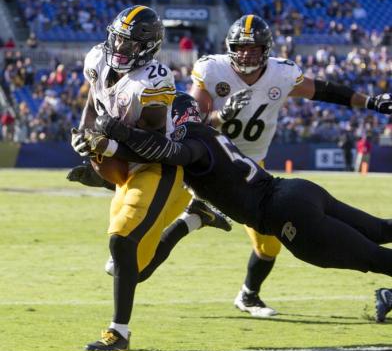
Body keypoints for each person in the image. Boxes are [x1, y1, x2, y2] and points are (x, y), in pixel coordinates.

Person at [82, 92, 392, 325]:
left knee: (376, 257)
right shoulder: (203, 132)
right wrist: (99, 162)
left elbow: (170, 151)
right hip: (297, 191)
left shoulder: (190, 140)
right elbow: (144, 164)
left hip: (285, 213)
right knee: (379, 231)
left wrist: (118, 135)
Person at [188, 14, 392, 318]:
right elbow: (191, 123)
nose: (246, 54)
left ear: (266, 50)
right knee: (372, 241)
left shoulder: (280, 75)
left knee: (270, 247)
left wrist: (371, 102)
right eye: (241, 47)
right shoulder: (212, 71)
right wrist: (220, 117)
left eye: (253, 48)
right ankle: (128, 258)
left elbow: (323, 90)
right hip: (219, 168)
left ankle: (248, 294)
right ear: (230, 47)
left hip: (253, 171)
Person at [70, 5, 230, 351]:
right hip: (125, 166)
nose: (119, 49)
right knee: (131, 270)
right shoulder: (98, 58)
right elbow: (94, 100)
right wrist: (83, 134)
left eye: (128, 45)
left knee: (122, 241)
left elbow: (153, 144)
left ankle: (119, 332)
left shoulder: (154, 79)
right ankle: (193, 219)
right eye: (117, 40)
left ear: (146, 48)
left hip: (158, 166)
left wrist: (109, 144)